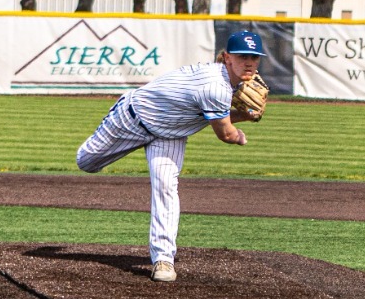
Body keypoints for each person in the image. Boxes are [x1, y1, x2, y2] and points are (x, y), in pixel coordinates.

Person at [74, 30, 265, 282]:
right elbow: (226, 133)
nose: (249, 62)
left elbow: (215, 115)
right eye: (243, 56)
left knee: (166, 188)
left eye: (254, 56)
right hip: (132, 118)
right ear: (227, 58)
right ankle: (163, 258)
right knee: (86, 161)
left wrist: (246, 114)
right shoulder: (215, 85)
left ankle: (163, 259)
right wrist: (242, 130)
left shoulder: (230, 83)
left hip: (171, 134)